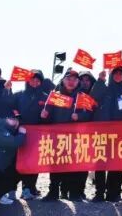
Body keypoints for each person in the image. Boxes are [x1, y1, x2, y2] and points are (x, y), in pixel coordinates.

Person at [41, 70, 94, 201]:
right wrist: (45, 115)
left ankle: (74, 194)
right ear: (63, 81)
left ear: (78, 82)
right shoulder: (55, 96)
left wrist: (79, 116)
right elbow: (49, 117)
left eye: (74, 80)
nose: (71, 82)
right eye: (68, 79)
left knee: (74, 166)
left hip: (76, 138)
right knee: (55, 165)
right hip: (57, 138)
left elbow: (90, 114)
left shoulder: (83, 96)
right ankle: (53, 192)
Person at [90, 66, 122, 202]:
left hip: (119, 133)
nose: (118, 75)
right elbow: (93, 97)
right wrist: (100, 80)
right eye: (115, 73)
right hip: (102, 131)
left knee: (117, 163)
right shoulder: (104, 88)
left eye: (121, 74)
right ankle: (99, 192)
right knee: (100, 162)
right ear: (111, 75)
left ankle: (114, 192)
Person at [11, 70, 47, 200]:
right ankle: (11, 189)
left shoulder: (45, 97)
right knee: (16, 161)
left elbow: (51, 116)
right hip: (19, 132)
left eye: (38, 80)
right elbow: (11, 109)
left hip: (37, 135)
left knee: (33, 162)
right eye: (32, 80)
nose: (35, 82)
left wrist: (45, 116)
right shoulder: (18, 95)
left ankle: (29, 188)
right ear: (27, 80)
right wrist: (17, 117)